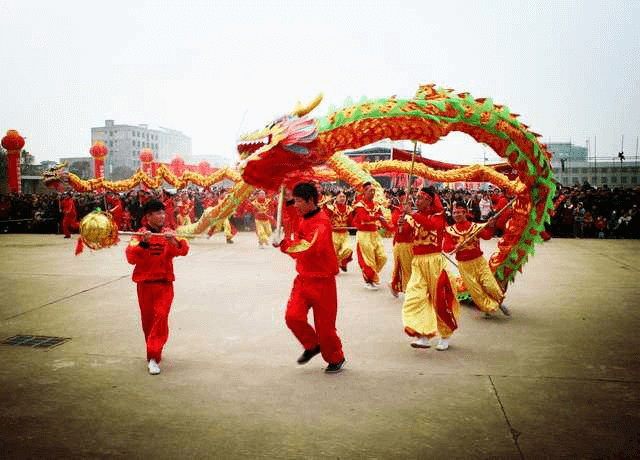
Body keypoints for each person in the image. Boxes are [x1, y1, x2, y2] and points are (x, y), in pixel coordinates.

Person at [271, 182, 346, 374]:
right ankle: (312, 345)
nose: (295, 205)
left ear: (310, 201)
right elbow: (289, 214)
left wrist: (284, 244)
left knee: (326, 330)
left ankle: (336, 357)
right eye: (294, 201)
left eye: (298, 201)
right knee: (292, 317)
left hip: (323, 282)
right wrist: (285, 194)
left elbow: (308, 247)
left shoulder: (322, 223)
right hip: (303, 280)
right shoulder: (303, 215)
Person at [125, 200, 189, 375]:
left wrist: (173, 242)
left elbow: (183, 249)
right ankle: (155, 350)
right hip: (145, 286)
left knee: (161, 317)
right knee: (148, 322)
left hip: (164, 285)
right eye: (157, 213)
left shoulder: (169, 233)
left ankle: (153, 357)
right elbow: (131, 258)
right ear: (148, 216)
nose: (162, 216)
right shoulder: (138, 235)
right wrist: (144, 243)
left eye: (163, 212)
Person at [398, 187, 460, 351]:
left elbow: (432, 226)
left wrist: (411, 214)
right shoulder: (413, 217)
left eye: (421, 198)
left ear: (430, 201)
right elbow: (403, 234)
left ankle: (445, 335)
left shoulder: (438, 216)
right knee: (414, 297)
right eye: (417, 197)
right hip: (417, 262)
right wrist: (400, 223)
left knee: (439, 300)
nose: (418, 201)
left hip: (434, 262)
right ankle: (423, 335)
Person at [443, 201, 510, 318]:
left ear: (465, 213)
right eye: (454, 213)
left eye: (459, 212)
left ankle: (499, 302)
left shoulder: (475, 227)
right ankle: (487, 307)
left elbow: (487, 236)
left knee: (490, 285)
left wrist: (491, 225)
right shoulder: (450, 230)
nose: (456, 215)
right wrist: (455, 247)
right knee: (476, 291)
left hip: (479, 262)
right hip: (464, 265)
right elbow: (446, 248)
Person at [352, 182, 392, 289]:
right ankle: (369, 280)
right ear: (364, 192)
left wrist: (392, 229)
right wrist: (377, 218)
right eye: (370, 191)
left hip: (375, 234)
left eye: (374, 191)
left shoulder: (376, 205)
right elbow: (364, 218)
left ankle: (372, 275)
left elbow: (383, 220)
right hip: (364, 235)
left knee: (382, 257)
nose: (373, 193)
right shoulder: (360, 205)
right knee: (368, 260)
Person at [390, 191, 414, 297]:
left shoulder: (413, 212)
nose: (408, 202)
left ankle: (394, 285)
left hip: (412, 244)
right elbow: (399, 228)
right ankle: (408, 291)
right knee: (405, 268)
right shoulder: (398, 211)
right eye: (405, 200)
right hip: (402, 244)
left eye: (409, 200)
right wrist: (402, 221)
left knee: (409, 268)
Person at [324, 190, 354, 272]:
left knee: (348, 249)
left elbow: (351, 222)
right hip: (334, 234)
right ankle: (334, 264)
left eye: (344, 197)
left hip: (345, 234)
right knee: (332, 253)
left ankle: (337, 262)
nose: (342, 198)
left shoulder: (349, 209)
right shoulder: (331, 208)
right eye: (340, 196)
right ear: (336, 198)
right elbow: (325, 219)